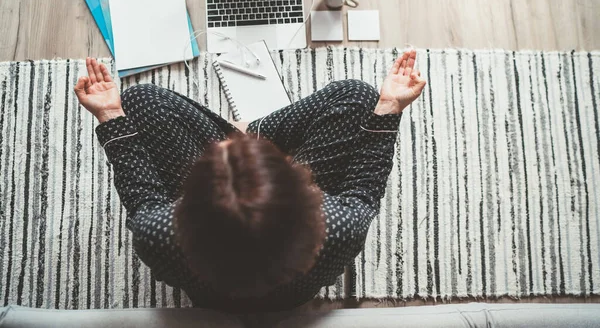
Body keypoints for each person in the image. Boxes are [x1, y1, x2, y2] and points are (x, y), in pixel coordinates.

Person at [74, 51, 426, 312]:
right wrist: (390, 105)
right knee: (358, 96)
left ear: (186, 202)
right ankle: (255, 134)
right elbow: (364, 186)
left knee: (137, 101)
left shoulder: (157, 234)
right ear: (303, 188)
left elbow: (143, 193)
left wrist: (109, 114)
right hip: (289, 283)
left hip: (215, 284)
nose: (228, 146)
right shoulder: (340, 225)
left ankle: (247, 133)